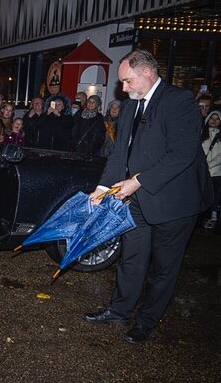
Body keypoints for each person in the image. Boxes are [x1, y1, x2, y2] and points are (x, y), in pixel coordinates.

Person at [85, 49, 213, 344]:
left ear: (147, 72)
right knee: (132, 257)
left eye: (127, 82)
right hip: (138, 197)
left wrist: (137, 182)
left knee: (164, 267)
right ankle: (119, 310)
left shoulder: (179, 101)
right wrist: (103, 188)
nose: (123, 88)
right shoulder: (130, 107)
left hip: (175, 202)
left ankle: (146, 321)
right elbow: (120, 154)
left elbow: (181, 154)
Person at [201, 110, 221, 230]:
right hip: (202, 171)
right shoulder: (201, 133)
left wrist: (208, 165)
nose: (214, 120)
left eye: (217, 118)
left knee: (214, 196)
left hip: (216, 172)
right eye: (211, 118)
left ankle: (212, 218)